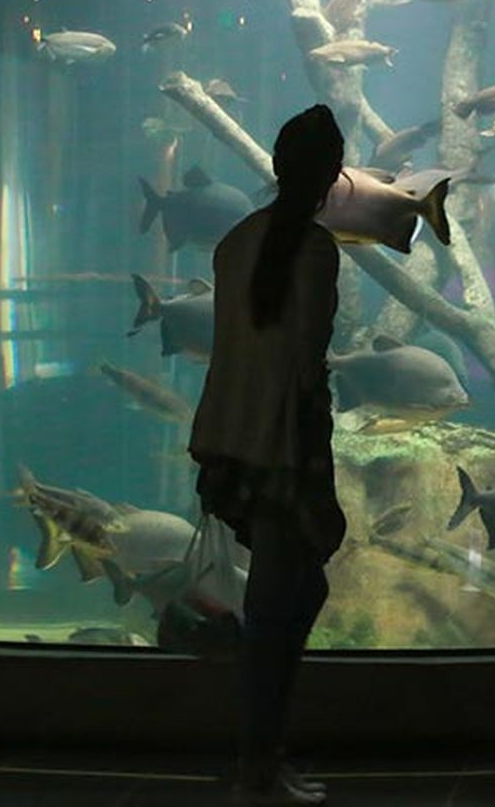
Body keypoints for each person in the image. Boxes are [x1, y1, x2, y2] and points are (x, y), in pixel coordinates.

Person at [188, 105, 345, 805]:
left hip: (230, 438)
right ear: (332, 176)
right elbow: (307, 365)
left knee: (293, 593)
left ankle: (263, 750)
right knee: (280, 604)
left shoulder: (234, 241)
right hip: (284, 445)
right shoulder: (315, 250)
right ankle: (259, 763)